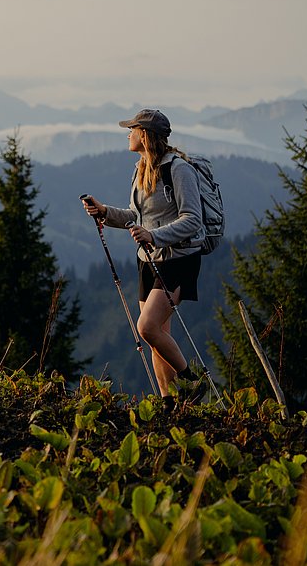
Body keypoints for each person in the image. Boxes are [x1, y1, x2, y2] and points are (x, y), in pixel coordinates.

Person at [81, 109, 206, 400]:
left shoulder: (178, 169)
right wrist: (104, 213)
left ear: (145, 135)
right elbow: (135, 215)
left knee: (147, 327)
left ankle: (191, 381)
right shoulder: (141, 168)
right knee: (157, 337)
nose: (128, 133)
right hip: (148, 260)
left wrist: (154, 236)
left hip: (178, 259)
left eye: (133, 129)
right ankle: (169, 401)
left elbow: (193, 218)